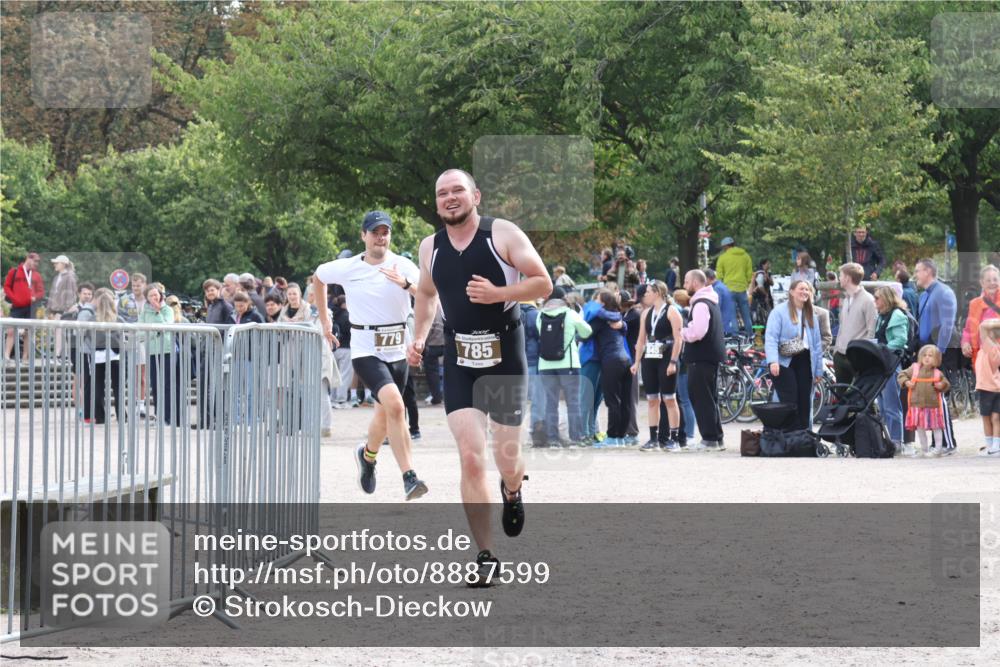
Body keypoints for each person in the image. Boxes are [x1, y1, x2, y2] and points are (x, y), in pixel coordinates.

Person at [407, 169, 552, 587]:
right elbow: (427, 295)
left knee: (506, 458)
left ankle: (512, 489)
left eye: (457, 191)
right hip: (460, 358)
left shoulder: (501, 234)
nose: (450, 198)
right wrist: (418, 337)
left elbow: (542, 283)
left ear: (475, 195)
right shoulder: (429, 247)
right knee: (471, 456)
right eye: (442, 193)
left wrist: (499, 294)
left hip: (505, 353)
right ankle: (485, 555)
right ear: (436, 203)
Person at [314, 210, 428, 502]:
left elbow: (428, 294)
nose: (380, 237)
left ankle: (367, 456)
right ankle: (410, 476)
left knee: (383, 413)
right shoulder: (348, 267)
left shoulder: (403, 265)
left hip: (397, 347)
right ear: (363, 235)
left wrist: (405, 284)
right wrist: (326, 322)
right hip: (366, 349)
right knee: (396, 406)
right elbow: (318, 277)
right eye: (374, 232)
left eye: (385, 232)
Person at [631, 280, 684, 451]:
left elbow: (679, 339)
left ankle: (674, 438)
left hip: (666, 356)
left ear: (658, 292)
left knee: (669, 398)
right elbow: (640, 340)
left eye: (648, 291)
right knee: (652, 399)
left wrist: (673, 361)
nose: (645, 294)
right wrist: (636, 362)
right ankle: (653, 438)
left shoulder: (672, 311)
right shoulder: (646, 313)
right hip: (650, 358)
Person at [764, 280, 824, 431]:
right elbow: (771, 337)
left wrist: (818, 370)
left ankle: (803, 434)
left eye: (807, 289)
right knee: (790, 398)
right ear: (791, 291)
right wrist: (773, 361)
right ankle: (788, 433)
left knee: (805, 398)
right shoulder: (779, 312)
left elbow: (816, 345)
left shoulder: (811, 314)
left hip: (805, 359)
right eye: (801, 289)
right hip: (785, 360)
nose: (805, 292)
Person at [537, 286, 592, 447]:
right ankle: (575, 438)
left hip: (545, 364)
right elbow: (587, 332)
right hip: (568, 363)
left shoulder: (540, 315)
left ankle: (553, 439)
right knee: (573, 402)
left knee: (551, 402)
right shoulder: (570, 314)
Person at [915, 258, 959, 454]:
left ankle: (949, 443)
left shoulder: (944, 292)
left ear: (928, 271)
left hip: (942, 351)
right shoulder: (924, 295)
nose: (916, 274)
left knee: (940, 397)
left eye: (918, 271)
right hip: (926, 350)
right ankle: (937, 443)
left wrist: (939, 352)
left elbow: (948, 324)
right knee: (930, 397)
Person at [681, 270, 726, 450]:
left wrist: (682, 332)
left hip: (701, 357)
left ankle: (709, 438)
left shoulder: (700, 304)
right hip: (710, 356)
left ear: (695, 283)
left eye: (686, 281)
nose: (684, 286)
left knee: (701, 398)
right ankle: (716, 437)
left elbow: (698, 332)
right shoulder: (710, 301)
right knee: (709, 398)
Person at [589, 290, 632, 446]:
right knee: (625, 401)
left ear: (603, 303)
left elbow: (584, 334)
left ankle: (612, 437)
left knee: (612, 400)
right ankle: (621, 436)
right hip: (627, 360)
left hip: (611, 360)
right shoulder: (618, 317)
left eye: (597, 300)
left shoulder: (599, 319)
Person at [873, 286, 910, 451]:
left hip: (891, 363)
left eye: (877, 298)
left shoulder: (897, 315)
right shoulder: (880, 316)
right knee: (882, 404)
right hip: (880, 363)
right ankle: (887, 439)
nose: (875, 301)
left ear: (886, 299)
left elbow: (901, 340)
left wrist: (883, 349)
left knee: (892, 405)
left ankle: (896, 440)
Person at [898, 345, 951, 457]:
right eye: (924, 355)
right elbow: (902, 375)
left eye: (930, 356)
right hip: (916, 406)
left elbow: (946, 384)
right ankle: (924, 450)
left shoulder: (938, 373)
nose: (927, 358)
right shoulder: (914, 368)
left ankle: (938, 449)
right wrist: (906, 382)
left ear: (937, 359)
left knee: (937, 427)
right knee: (920, 429)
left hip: (933, 406)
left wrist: (941, 385)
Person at [81, 289, 123, 425]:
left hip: (98, 355)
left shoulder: (93, 319)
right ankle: (121, 415)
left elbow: (86, 335)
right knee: (118, 386)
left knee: (98, 386)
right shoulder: (118, 319)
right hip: (115, 355)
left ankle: (100, 416)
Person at [139, 284, 178, 425]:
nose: (155, 297)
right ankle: (159, 416)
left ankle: (168, 418)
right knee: (155, 385)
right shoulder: (144, 312)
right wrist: (155, 332)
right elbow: (139, 332)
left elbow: (166, 326)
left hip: (167, 350)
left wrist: (158, 313)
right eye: (151, 295)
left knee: (166, 385)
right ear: (147, 299)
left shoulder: (167, 310)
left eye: (156, 294)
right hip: (152, 351)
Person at [832, 263, 876, 386]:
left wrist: (863, 355)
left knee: (862, 396)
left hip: (857, 357)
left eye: (840, 275)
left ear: (847, 278)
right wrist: (836, 350)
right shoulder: (846, 299)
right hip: (840, 355)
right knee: (840, 397)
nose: (839, 278)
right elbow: (842, 326)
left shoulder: (868, 300)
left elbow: (871, 331)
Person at [3, 251, 45, 363]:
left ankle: (25, 357)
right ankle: (6, 356)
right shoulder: (14, 272)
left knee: (28, 332)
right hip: (17, 306)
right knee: (11, 330)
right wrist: (14, 298)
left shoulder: (36, 275)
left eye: (37, 262)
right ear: (28, 259)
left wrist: (35, 297)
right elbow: (6, 286)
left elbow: (41, 292)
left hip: (31, 307)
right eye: (34, 261)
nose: (36, 264)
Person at [961, 264, 1000, 368]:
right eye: (988, 280)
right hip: (981, 358)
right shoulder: (974, 304)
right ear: (982, 283)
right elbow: (968, 329)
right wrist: (965, 343)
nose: (992, 283)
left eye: (995, 279)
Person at [671, 289, 696, 447]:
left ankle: (689, 433)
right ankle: (689, 432)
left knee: (685, 399)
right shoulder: (688, 313)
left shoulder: (681, 315)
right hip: (687, 361)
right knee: (685, 399)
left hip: (683, 362)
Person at [715, 236, 753, 338]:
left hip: (728, 290)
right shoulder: (745, 256)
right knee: (746, 315)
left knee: (732, 315)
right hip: (741, 289)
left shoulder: (723, 258)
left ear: (725, 246)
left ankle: (735, 337)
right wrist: (747, 282)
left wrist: (722, 286)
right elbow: (749, 272)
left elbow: (719, 276)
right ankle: (750, 335)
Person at [520, 297, 545, 446]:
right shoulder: (536, 315)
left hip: (513, 364)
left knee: (514, 401)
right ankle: (537, 435)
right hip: (533, 362)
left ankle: (509, 435)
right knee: (537, 400)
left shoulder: (510, 313)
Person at [975, 319, 1000, 456]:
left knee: (988, 418)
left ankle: (993, 445)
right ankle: (993, 445)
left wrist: (992, 323)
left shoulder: (990, 347)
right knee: (995, 418)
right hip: (994, 387)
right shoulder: (991, 347)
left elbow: (982, 326)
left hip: (987, 388)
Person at [330, 295, 355, 408]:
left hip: (334, 349)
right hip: (346, 348)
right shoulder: (348, 315)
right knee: (345, 375)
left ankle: (333, 398)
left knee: (334, 374)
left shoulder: (333, 314)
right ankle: (341, 400)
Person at [422, 304, 446, 406]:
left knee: (432, 373)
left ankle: (436, 397)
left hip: (432, 344)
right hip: (446, 343)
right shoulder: (444, 305)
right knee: (449, 371)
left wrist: (423, 342)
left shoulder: (431, 305)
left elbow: (429, 327)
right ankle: (444, 396)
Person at [705, 269, 737, 337]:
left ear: (707, 278)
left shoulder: (716, 289)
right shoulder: (722, 286)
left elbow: (716, 307)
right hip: (729, 323)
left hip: (723, 325)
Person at [751, 258, 775, 326]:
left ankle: (769, 326)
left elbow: (772, 283)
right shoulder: (759, 273)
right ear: (763, 265)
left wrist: (767, 276)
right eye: (768, 264)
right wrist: (766, 295)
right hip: (759, 297)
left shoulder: (768, 273)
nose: (769, 265)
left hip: (767, 295)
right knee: (760, 314)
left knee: (769, 313)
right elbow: (760, 286)